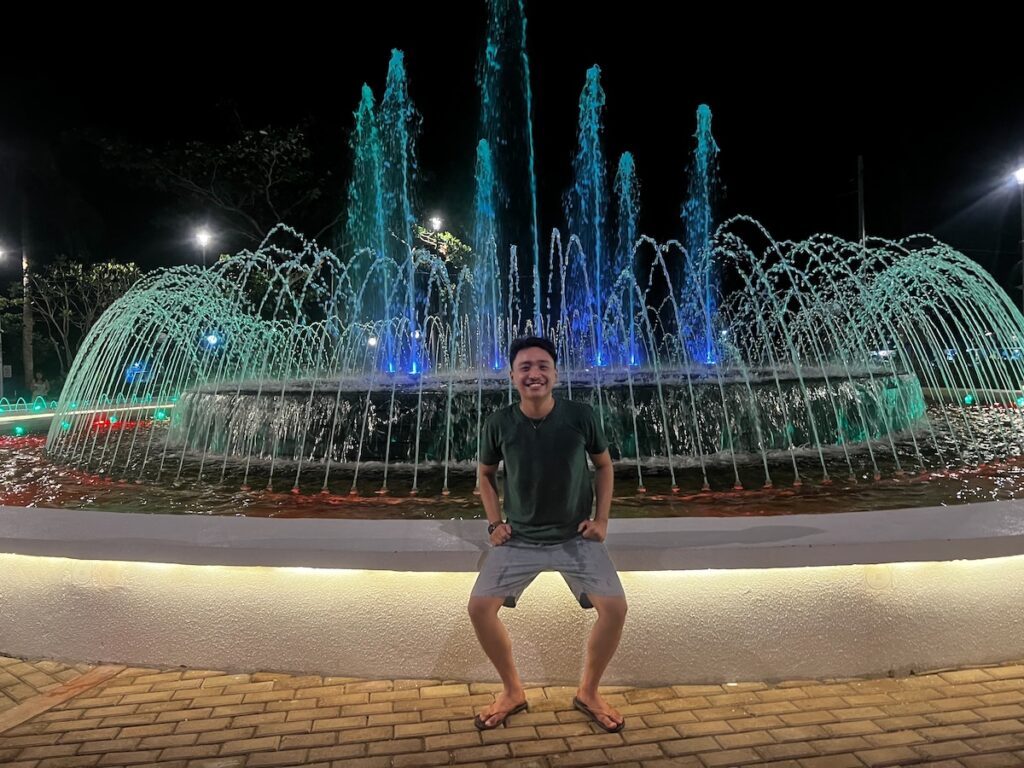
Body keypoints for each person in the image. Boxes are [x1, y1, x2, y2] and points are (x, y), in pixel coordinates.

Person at [468, 335, 627, 732]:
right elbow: (485, 477)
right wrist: (495, 524)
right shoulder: (498, 422)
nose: (534, 374)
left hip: (576, 536)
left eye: (542, 366)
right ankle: (512, 691)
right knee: (479, 608)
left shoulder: (580, 416)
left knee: (616, 609)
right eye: (525, 367)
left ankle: (589, 691)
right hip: (518, 537)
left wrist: (602, 520)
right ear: (512, 376)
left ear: (555, 374)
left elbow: (604, 467)